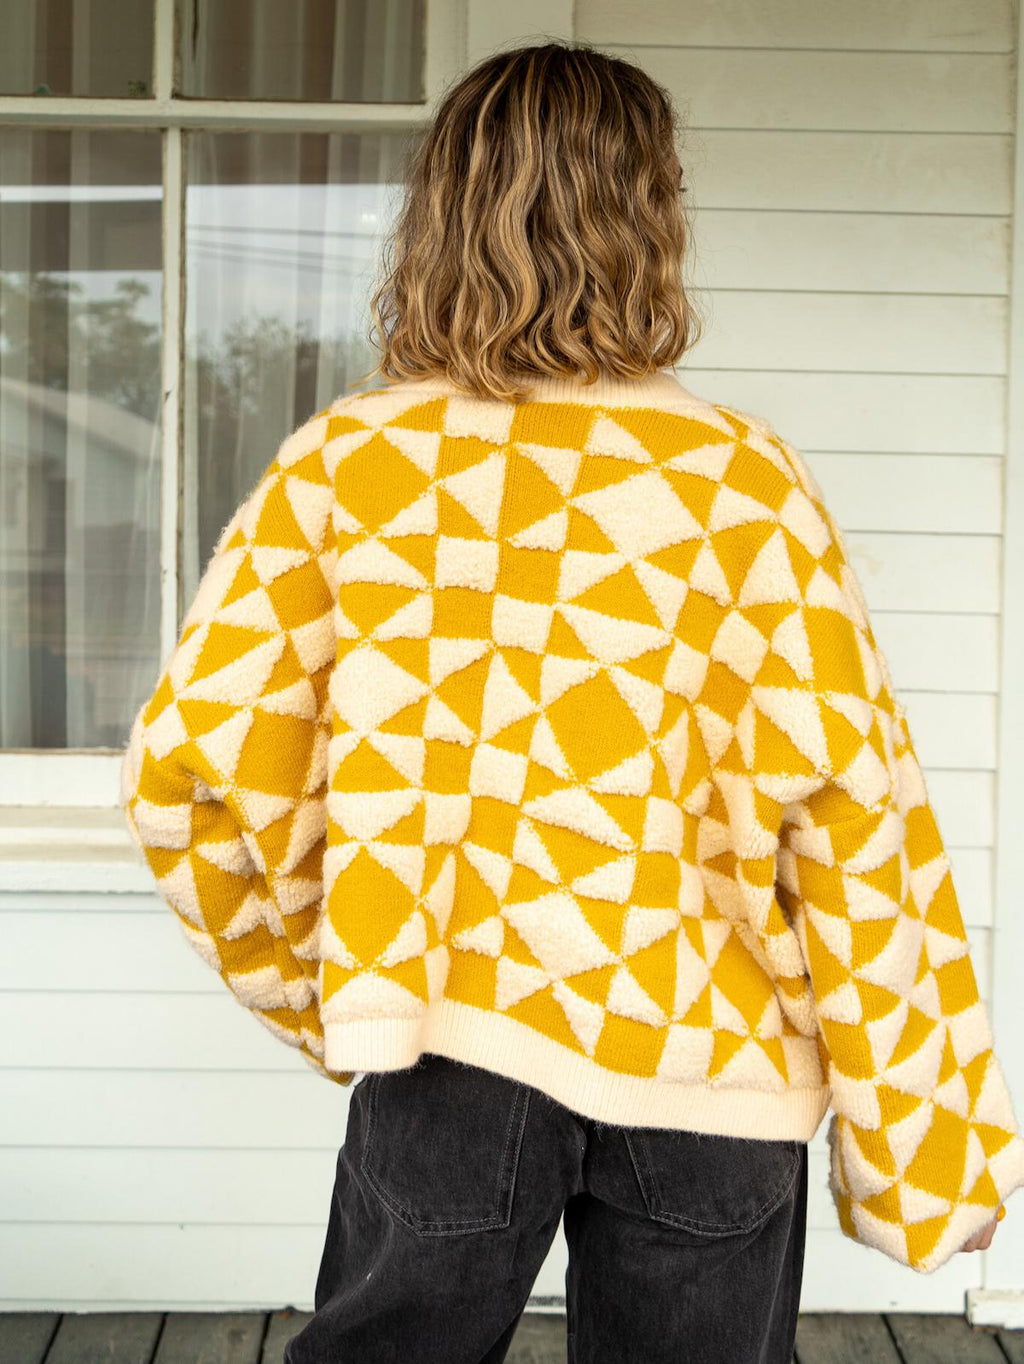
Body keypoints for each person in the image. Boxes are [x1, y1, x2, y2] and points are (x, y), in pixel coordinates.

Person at [119, 41, 1021, 1364]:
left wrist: (331, 987)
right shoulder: (741, 490)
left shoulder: (350, 472)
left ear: (441, 216)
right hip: (713, 1067)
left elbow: (188, 776)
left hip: (444, 1053)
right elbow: (857, 828)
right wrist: (930, 1160)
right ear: (650, 216)